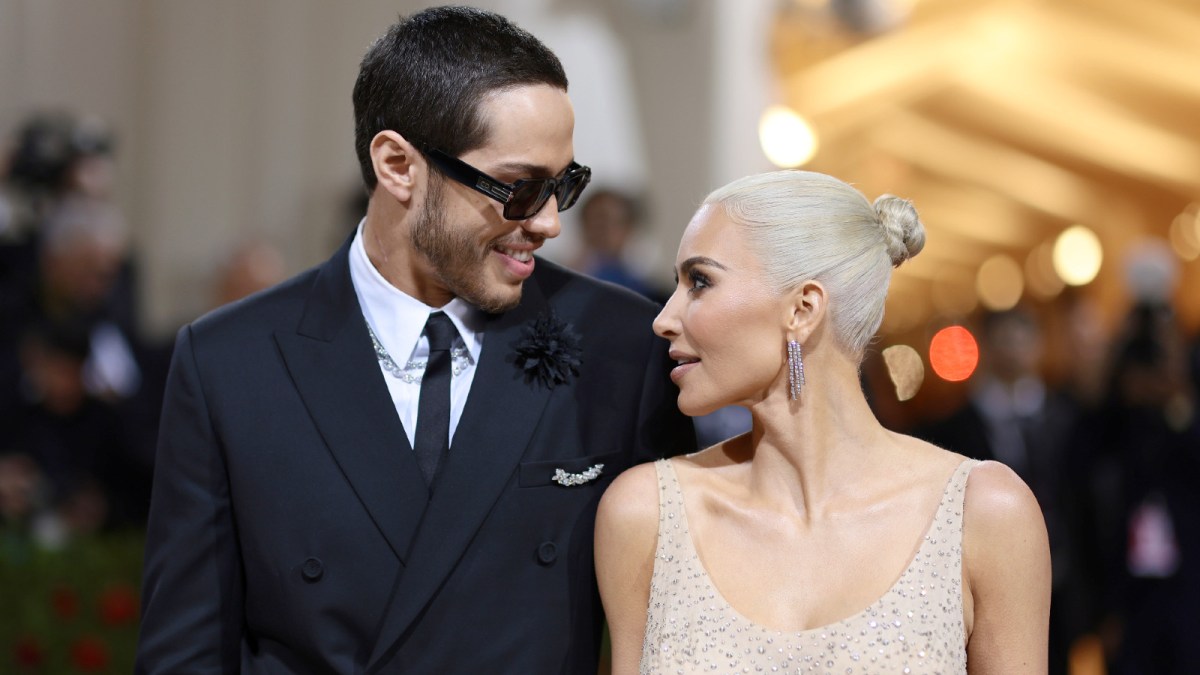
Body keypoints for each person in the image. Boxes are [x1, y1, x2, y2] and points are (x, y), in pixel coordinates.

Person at [136, 7, 694, 673]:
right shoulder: (230, 363)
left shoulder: (622, 346)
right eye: (519, 189)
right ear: (398, 165)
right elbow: (185, 655)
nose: (547, 222)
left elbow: (669, 637)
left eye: (563, 185)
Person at [595, 170, 1051, 674]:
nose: (664, 317)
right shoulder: (645, 514)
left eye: (700, 281)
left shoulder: (984, 514)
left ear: (803, 309)